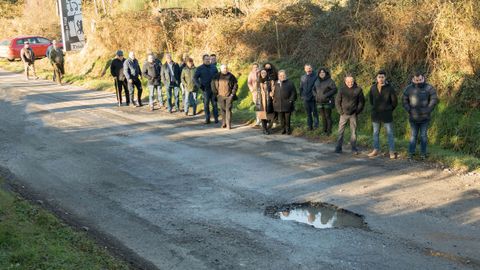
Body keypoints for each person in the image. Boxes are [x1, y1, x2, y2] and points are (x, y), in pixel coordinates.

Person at [402, 71, 438, 160]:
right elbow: (404, 100)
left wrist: (428, 110)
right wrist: (409, 110)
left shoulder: (429, 88)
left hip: (425, 118)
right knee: (413, 136)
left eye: (420, 79)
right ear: (413, 79)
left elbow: (433, 100)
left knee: (423, 136)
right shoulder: (408, 89)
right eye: (416, 80)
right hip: (413, 117)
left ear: (423, 78)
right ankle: (411, 153)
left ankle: (423, 153)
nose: (418, 81)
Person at [368, 70, 398, 159]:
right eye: (379, 77)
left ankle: (392, 151)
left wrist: (389, 109)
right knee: (375, 133)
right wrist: (375, 108)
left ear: (385, 78)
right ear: (376, 78)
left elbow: (394, 102)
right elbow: (371, 100)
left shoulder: (390, 88)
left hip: (387, 114)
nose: (381, 79)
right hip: (376, 114)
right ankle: (376, 150)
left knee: (390, 133)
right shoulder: (373, 88)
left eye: (382, 77)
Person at [335, 74, 365, 154]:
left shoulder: (358, 89)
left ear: (354, 81)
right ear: (345, 81)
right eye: (348, 81)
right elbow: (337, 101)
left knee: (353, 132)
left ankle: (353, 148)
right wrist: (340, 111)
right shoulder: (341, 89)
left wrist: (357, 111)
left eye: (351, 81)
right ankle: (338, 147)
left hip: (353, 114)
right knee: (340, 131)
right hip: (343, 114)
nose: (350, 83)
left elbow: (361, 102)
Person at [194, 54, 219, 124]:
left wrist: (218, 86)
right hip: (205, 89)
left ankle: (216, 119)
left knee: (214, 104)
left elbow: (218, 77)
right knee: (206, 104)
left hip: (213, 89)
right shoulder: (199, 68)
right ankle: (207, 119)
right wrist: (199, 85)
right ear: (203, 60)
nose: (208, 60)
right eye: (206, 59)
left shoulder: (214, 67)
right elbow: (195, 78)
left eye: (208, 59)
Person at [212, 64, 238, 129]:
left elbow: (235, 85)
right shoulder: (216, 76)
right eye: (224, 68)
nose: (225, 69)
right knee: (222, 109)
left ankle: (228, 124)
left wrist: (232, 94)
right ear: (220, 69)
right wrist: (216, 94)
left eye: (226, 68)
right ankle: (224, 123)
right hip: (220, 96)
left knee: (228, 109)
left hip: (229, 96)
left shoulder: (231, 76)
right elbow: (213, 85)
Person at [313, 67, 337, 135]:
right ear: (318, 73)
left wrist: (326, 95)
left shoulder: (330, 81)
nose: (322, 73)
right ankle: (324, 130)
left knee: (328, 116)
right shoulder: (316, 81)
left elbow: (335, 89)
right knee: (323, 117)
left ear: (326, 73)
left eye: (323, 72)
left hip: (327, 101)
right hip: (319, 102)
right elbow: (313, 90)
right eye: (320, 72)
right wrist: (316, 95)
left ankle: (329, 131)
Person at [272, 70, 297, 135]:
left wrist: (291, 100)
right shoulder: (275, 83)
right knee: (281, 119)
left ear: (285, 75)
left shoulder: (290, 83)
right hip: (278, 104)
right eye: (280, 75)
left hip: (287, 104)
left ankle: (288, 129)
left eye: (283, 75)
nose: (282, 77)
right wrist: (274, 99)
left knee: (287, 118)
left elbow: (293, 93)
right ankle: (283, 129)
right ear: (278, 76)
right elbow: (272, 92)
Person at [299, 64, 319, 130]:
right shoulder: (303, 77)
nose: (308, 69)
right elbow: (301, 87)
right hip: (305, 98)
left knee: (315, 113)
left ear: (312, 68)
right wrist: (301, 95)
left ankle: (316, 126)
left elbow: (316, 87)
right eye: (307, 68)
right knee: (308, 113)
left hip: (313, 98)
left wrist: (315, 95)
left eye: (310, 68)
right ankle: (309, 126)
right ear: (305, 69)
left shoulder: (315, 76)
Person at [256, 69, 275, 134]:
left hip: (269, 99)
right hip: (261, 100)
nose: (263, 74)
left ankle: (268, 127)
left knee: (270, 115)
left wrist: (272, 93)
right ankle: (264, 129)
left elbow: (273, 88)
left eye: (264, 72)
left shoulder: (270, 81)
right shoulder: (258, 81)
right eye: (262, 73)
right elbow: (257, 91)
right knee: (262, 115)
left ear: (266, 73)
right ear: (260, 74)